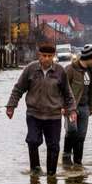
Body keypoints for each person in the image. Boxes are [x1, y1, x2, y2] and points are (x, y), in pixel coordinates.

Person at [6, 42, 77, 176]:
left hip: (54, 116)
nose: (46, 59)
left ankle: (51, 174)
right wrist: (11, 106)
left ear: (53, 56)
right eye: (44, 55)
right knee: (32, 140)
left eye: (50, 56)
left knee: (54, 146)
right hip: (34, 114)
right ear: (39, 55)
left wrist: (72, 110)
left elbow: (68, 93)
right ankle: (35, 168)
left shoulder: (60, 71)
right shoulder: (30, 69)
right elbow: (18, 89)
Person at [62, 45, 92, 167]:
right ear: (88, 58)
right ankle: (66, 158)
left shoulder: (90, 70)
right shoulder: (70, 69)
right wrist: (64, 106)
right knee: (71, 131)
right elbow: (62, 88)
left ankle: (78, 162)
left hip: (85, 107)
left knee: (81, 135)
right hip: (71, 108)